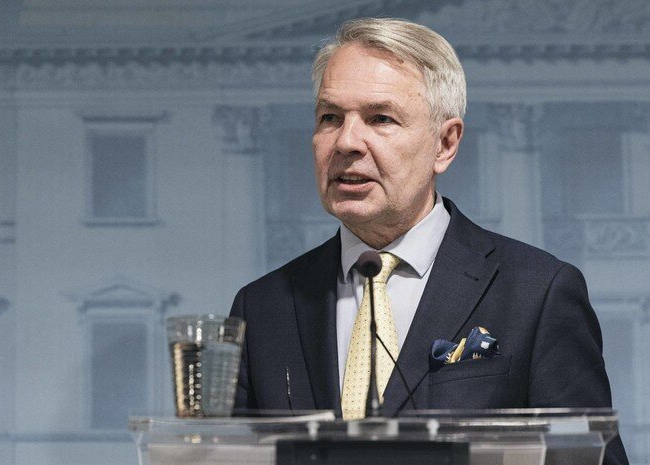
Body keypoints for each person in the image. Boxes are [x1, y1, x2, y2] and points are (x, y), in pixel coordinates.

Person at [230, 17, 628, 464]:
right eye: (330, 118)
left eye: (380, 118)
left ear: (445, 144)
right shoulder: (261, 307)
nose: (346, 141)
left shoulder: (538, 293)